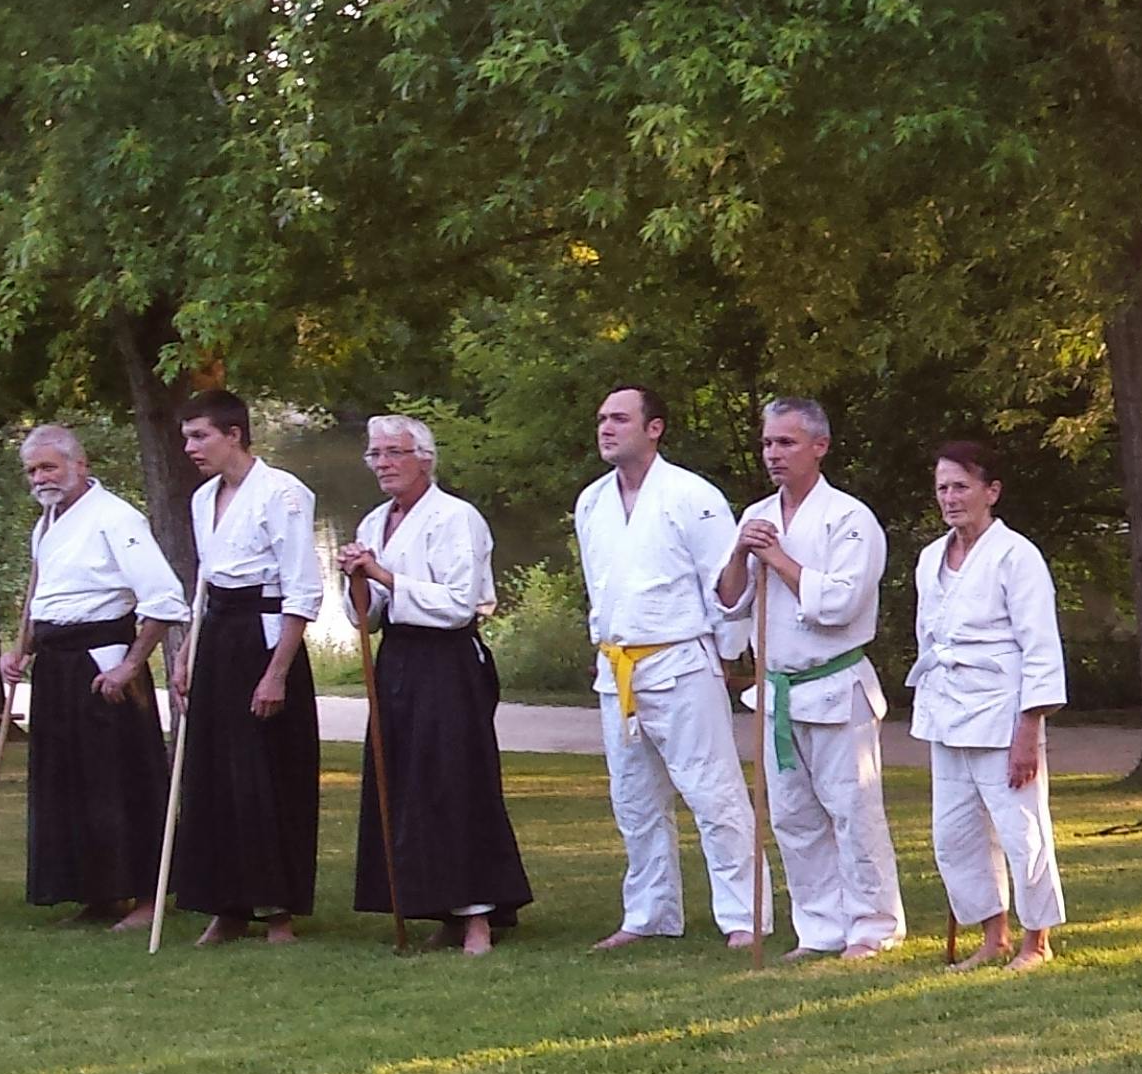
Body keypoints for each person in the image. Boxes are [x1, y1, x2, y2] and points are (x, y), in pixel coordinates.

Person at [574, 385, 762, 951]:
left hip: (680, 663)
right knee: (633, 799)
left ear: (654, 428)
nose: (606, 428)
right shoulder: (592, 502)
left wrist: (728, 653)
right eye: (601, 419)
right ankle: (650, 913)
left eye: (619, 419)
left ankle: (744, 916)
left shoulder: (693, 496)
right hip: (618, 667)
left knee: (713, 793)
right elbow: (600, 588)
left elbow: (727, 586)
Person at [336, 414, 533, 953]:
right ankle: (437, 907)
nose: (382, 464)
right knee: (404, 783)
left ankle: (479, 916)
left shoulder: (456, 518)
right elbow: (367, 617)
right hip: (396, 658)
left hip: (448, 661)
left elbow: (458, 602)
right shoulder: (374, 522)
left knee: (454, 780)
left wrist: (383, 575)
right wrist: (354, 579)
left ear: (424, 458)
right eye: (375, 454)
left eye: (393, 452)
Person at [716, 397, 905, 961]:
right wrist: (740, 551)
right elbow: (728, 600)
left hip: (836, 687)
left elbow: (840, 604)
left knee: (853, 813)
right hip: (777, 690)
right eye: (767, 443)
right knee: (794, 818)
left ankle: (872, 926)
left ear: (819, 447)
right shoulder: (757, 515)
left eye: (786, 442)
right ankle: (819, 928)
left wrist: (776, 557)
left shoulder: (850, 518)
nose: (772, 454)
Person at [2, 425, 184, 928]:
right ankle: (98, 894)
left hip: (103, 662)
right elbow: (49, 600)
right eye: (32, 471)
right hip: (56, 664)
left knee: (120, 780)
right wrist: (20, 650)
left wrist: (130, 664)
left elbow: (164, 599)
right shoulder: (46, 524)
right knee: (71, 784)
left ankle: (147, 898)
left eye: (49, 467)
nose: (40, 478)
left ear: (80, 465)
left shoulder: (116, 518)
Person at [908, 440, 1067, 970]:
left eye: (961, 486)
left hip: (1003, 710)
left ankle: (1036, 940)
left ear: (991, 492)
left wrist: (1029, 729)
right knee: (953, 836)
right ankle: (993, 935)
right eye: (942, 488)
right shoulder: (930, 558)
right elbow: (929, 637)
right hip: (946, 708)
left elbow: (1039, 646)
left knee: (1022, 832)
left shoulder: (1017, 556)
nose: (950, 497)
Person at [173, 389, 324, 945]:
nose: (190, 448)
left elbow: (302, 588)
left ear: (234, 434)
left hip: (265, 638)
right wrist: (187, 651)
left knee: (267, 772)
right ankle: (227, 904)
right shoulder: (203, 499)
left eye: (200, 436)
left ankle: (278, 909)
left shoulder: (282, 493)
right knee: (216, 773)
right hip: (218, 634)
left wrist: (277, 672)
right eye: (186, 437)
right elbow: (205, 582)